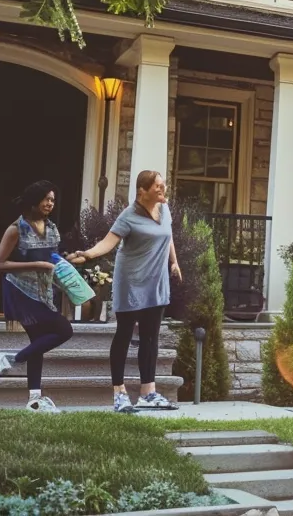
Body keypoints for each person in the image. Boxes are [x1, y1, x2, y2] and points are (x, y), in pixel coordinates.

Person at [68, 170, 181, 413]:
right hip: (131, 280)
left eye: (163, 185)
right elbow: (108, 243)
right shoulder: (128, 216)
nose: (163, 190)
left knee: (151, 337)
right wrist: (86, 255)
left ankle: (148, 393)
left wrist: (174, 262)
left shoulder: (164, 209)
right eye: (157, 187)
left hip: (157, 281)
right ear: (143, 191)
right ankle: (119, 393)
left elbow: (168, 235)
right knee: (124, 334)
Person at [0, 181, 72, 413]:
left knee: (38, 343)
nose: (50, 203)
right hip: (21, 292)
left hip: (43, 292)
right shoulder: (16, 229)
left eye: (53, 199)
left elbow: (51, 258)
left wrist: (67, 265)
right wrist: (37, 264)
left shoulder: (52, 228)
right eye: (46, 199)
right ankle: (11, 359)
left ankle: (34, 400)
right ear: (34, 200)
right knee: (64, 330)